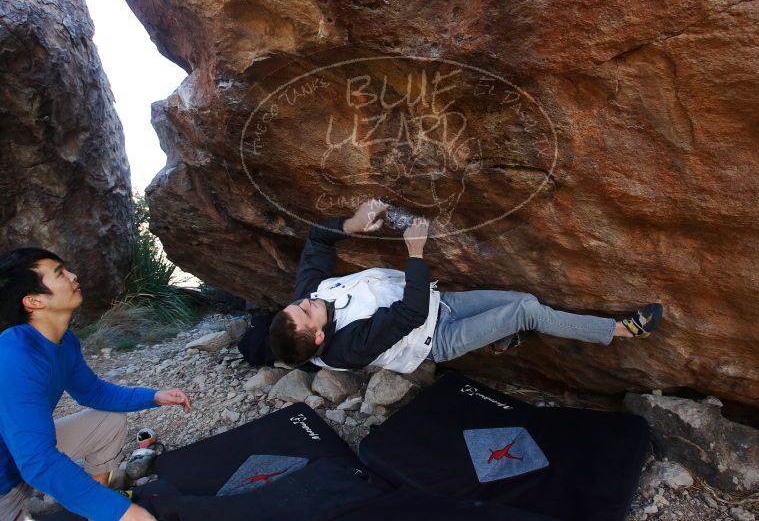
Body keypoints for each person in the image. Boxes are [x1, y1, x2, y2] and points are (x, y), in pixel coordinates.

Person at [269, 200, 663, 373]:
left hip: (444, 304)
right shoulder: (348, 347)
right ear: (319, 337)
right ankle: (621, 331)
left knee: (526, 301)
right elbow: (410, 313)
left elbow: (317, 241)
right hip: (436, 338)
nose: (305, 299)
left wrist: (352, 224)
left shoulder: (312, 297)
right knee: (525, 312)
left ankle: (500, 340)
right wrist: (416, 253)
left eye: (296, 304)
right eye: (304, 311)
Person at [0, 248, 192, 521]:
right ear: (33, 301)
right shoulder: (14, 357)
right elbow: (38, 463)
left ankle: (97, 503)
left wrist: (155, 396)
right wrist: (127, 514)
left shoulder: (64, 341)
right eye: (60, 274)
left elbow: (91, 392)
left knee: (109, 422)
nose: (73, 276)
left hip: (22, 458)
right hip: (4, 486)